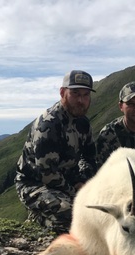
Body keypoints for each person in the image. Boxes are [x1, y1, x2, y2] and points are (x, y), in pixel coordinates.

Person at [15, 70, 97, 234]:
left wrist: (83, 181)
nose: (81, 100)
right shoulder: (49, 124)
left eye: (85, 95)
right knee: (72, 216)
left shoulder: (83, 123)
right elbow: (47, 174)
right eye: (75, 94)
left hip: (68, 182)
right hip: (35, 184)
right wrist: (77, 193)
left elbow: (89, 157)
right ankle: (37, 217)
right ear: (62, 92)